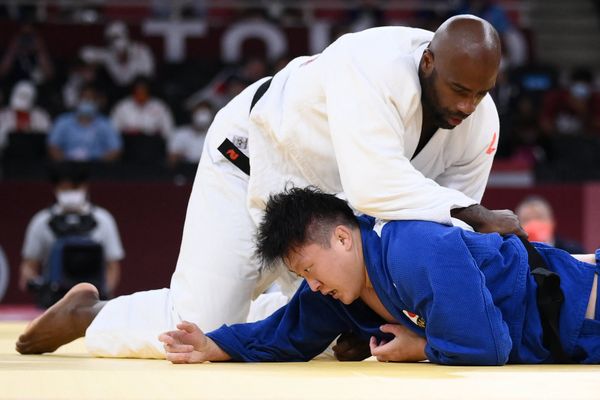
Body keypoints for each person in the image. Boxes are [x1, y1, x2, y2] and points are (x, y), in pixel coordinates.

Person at [16, 15, 524, 359]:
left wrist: (387, 322)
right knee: (203, 326)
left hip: (325, 219)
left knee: (326, 342)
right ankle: (93, 315)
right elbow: (378, 191)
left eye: (481, 93)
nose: (467, 107)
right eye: (459, 90)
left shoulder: (479, 122)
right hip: (249, 160)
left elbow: (436, 231)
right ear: (429, 63)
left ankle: (281, 317)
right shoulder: (370, 65)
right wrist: (475, 214)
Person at [159, 187, 600, 365]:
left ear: (344, 239)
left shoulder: (413, 249)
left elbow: (489, 344)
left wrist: (422, 348)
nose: (311, 284)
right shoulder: (338, 290)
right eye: (302, 275)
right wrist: (216, 344)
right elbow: (287, 333)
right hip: (563, 335)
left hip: (584, 309)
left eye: (309, 269)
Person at [18, 162, 125, 307]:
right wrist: (38, 286)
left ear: (85, 187)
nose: (70, 193)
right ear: (55, 188)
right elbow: (29, 265)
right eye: (65, 188)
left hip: (93, 302)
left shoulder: (103, 220)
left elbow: (113, 266)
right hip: (53, 302)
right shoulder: (42, 222)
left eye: (75, 188)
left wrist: (102, 295)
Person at [48, 84, 122, 162]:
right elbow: (53, 146)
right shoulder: (63, 121)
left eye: (90, 99)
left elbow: (115, 149)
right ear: (78, 100)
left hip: (97, 168)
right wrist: (65, 165)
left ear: (96, 102)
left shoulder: (105, 124)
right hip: (68, 167)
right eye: (84, 98)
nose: (87, 101)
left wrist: (99, 166)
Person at [80, 21, 155, 88]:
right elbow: (85, 52)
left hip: (140, 87)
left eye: (116, 37)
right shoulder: (109, 54)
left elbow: (148, 74)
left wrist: (127, 59)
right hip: (118, 91)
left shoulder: (142, 50)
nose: (114, 42)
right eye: (111, 39)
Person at [516, 195, 586, 254]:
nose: (533, 223)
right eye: (526, 220)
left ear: (552, 222)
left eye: (539, 217)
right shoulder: (514, 254)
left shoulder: (572, 250)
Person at [110, 77, 174, 140]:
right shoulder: (121, 107)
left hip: (152, 143)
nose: (140, 94)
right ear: (133, 92)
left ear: (148, 91)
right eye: (138, 91)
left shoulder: (160, 106)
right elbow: (113, 130)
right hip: (129, 143)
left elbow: (168, 130)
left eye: (143, 90)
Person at [0, 80, 51, 150]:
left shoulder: (41, 116)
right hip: (8, 155)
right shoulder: (3, 115)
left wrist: (31, 131)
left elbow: (48, 138)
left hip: (34, 155)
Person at [167, 101, 214, 167]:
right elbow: (171, 160)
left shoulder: (216, 136)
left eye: (205, 113)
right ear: (193, 113)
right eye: (200, 112)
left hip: (208, 171)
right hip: (185, 170)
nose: (202, 116)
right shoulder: (180, 133)